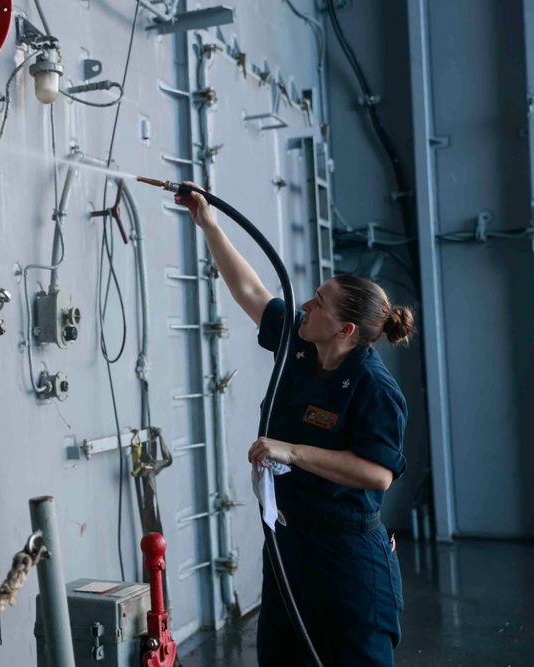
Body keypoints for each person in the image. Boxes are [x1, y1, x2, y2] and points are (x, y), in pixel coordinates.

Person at [175, 183, 411, 666]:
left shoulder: (374, 387)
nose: (306, 305)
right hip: (289, 543)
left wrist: (291, 451)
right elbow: (251, 291)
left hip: (347, 553)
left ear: (345, 331)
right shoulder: (302, 346)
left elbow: (378, 473)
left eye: (319, 303)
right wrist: (209, 224)